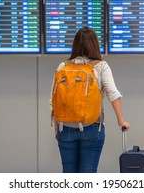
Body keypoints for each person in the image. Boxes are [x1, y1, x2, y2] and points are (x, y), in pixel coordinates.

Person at [50, 26, 130, 173]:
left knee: (68, 174)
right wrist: (121, 120)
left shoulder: (63, 66)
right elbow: (113, 93)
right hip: (92, 127)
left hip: (64, 128)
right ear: (95, 44)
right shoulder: (100, 66)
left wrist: (57, 129)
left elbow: (53, 100)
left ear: (75, 44)